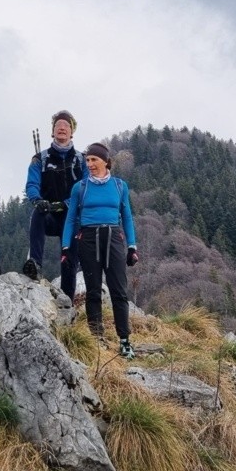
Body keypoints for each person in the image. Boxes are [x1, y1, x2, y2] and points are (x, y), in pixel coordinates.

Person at [61, 142, 141, 359]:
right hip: (88, 238)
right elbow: (70, 219)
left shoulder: (119, 186)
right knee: (93, 290)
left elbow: (127, 216)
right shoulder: (80, 188)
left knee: (118, 290)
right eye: (87, 160)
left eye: (94, 160)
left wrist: (132, 246)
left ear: (106, 161)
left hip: (114, 237)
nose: (90, 164)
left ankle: (124, 340)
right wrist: (66, 248)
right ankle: (97, 339)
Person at [22, 110, 87, 299]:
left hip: (70, 215)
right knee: (37, 215)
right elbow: (32, 184)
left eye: (66, 125)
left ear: (71, 132)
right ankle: (35, 264)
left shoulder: (81, 160)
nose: (62, 128)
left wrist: (65, 204)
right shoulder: (39, 159)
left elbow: (84, 187)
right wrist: (38, 200)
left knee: (69, 260)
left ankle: (68, 299)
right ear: (52, 132)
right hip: (48, 213)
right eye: (58, 125)